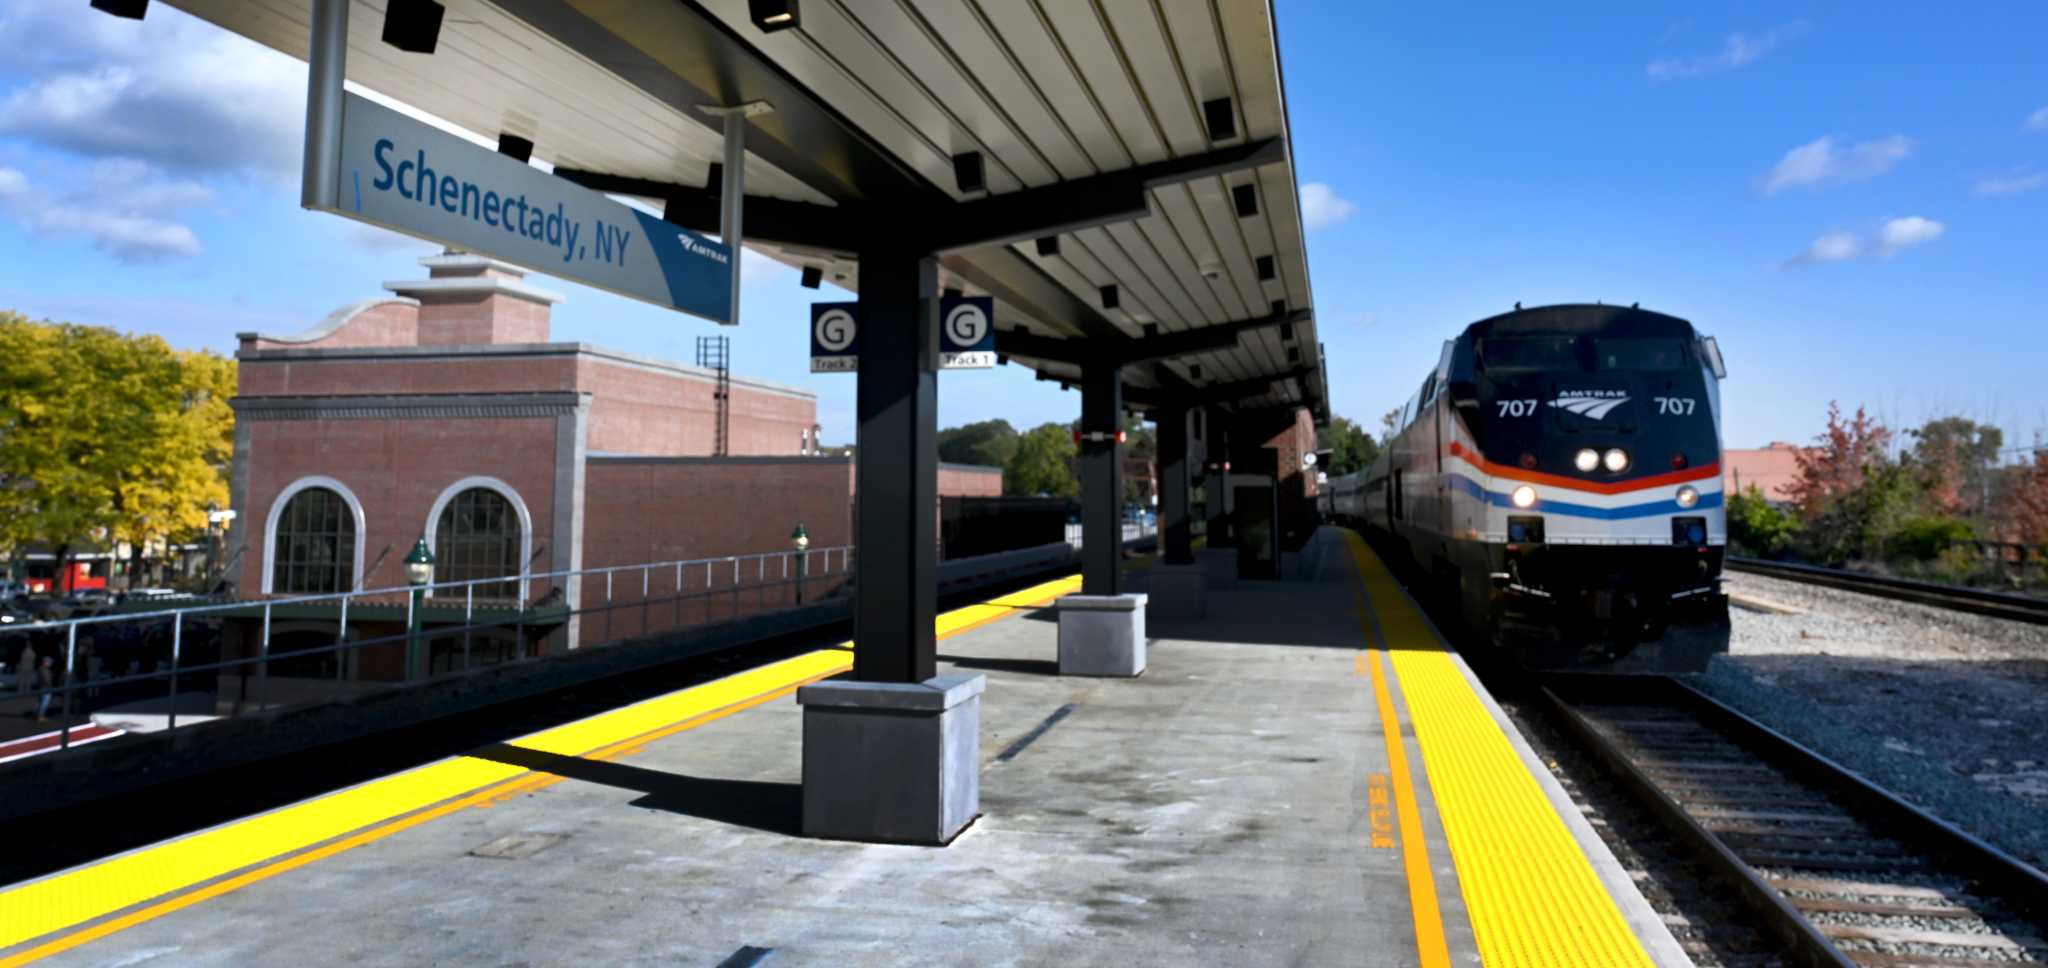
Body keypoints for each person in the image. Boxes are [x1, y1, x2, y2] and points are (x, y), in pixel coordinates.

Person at [34, 655, 56, 722]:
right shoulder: (44, 669)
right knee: (44, 703)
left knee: (40, 702)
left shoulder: (41, 669)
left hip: (42, 688)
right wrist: (51, 687)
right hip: (46, 688)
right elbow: (47, 680)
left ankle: (36, 714)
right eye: (49, 662)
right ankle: (40, 716)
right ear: (46, 662)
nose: (51, 664)